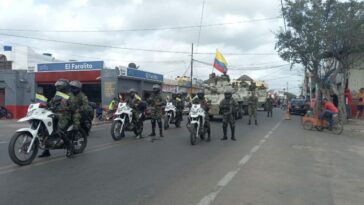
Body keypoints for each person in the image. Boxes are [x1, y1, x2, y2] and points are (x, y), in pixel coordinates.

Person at [39, 79, 74, 158]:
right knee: (46, 130)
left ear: (64, 87)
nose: (58, 88)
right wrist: (44, 104)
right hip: (55, 114)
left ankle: (70, 147)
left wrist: (67, 107)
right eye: (57, 87)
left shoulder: (69, 95)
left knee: (60, 129)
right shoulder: (57, 95)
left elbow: (73, 105)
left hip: (65, 115)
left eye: (59, 87)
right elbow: (51, 102)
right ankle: (46, 150)